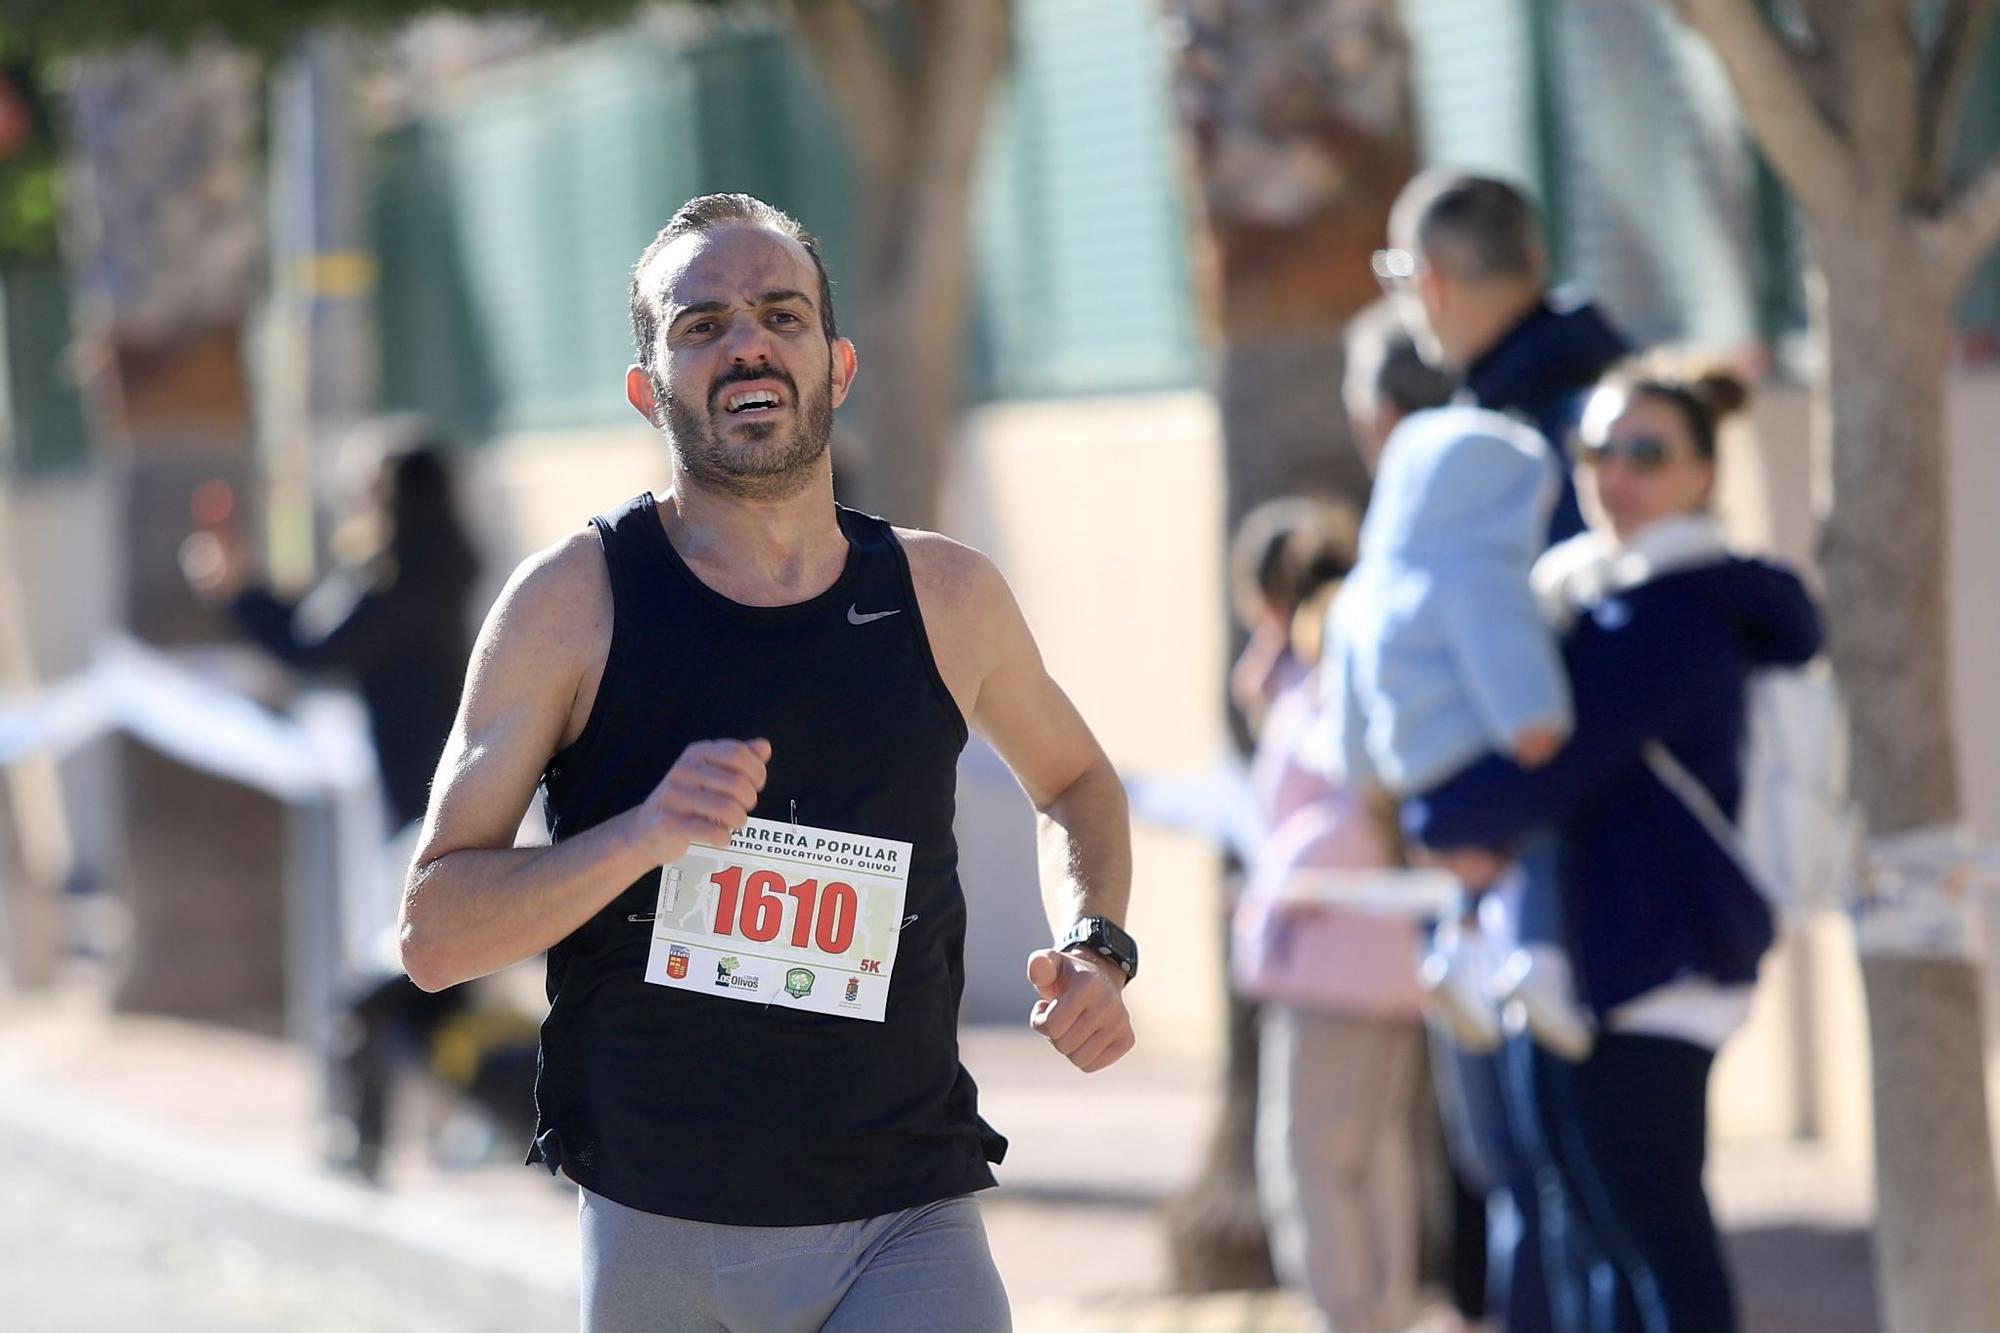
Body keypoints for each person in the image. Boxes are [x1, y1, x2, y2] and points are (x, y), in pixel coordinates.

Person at [396, 193, 1137, 1333]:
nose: (746, 341)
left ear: (833, 364)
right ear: (648, 386)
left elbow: (1076, 782)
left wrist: (1094, 942)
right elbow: (436, 932)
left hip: (906, 1207)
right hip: (666, 1220)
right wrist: (641, 834)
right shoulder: (572, 603)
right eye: (701, 325)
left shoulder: (943, 595)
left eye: (779, 314)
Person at [1405, 361, 1822, 1332]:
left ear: (1701, 475)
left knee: (1655, 1246)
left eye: (1647, 453)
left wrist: (1428, 817)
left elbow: (1541, 773)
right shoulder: (1593, 599)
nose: (1615, 473)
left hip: (1652, 969)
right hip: (1602, 965)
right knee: (1601, 1245)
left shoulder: (1667, 614)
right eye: (1597, 448)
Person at [182, 426, 487, 1181]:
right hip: (442, 809)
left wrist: (237, 589)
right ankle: (412, 1136)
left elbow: (313, 645)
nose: (355, 502)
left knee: (381, 994)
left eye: (367, 488)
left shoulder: (400, 579)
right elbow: (325, 633)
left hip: (424, 821)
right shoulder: (436, 571)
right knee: (425, 994)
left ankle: (369, 1145)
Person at [1373, 171, 1630, 545]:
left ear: (1432, 286)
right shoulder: (1627, 378)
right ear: (1535, 258)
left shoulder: (1488, 443)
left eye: (1402, 279)